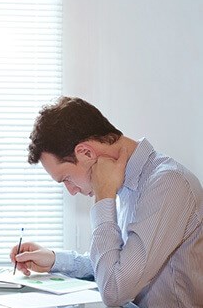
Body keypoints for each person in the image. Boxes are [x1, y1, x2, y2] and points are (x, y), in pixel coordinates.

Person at [10, 96, 202, 308]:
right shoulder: (130, 184)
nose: (72, 191)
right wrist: (55, 260)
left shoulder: (167, 184)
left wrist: (103, 196)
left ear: (86, 152)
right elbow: (115, 266)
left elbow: (115, 290)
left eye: (66, 179)